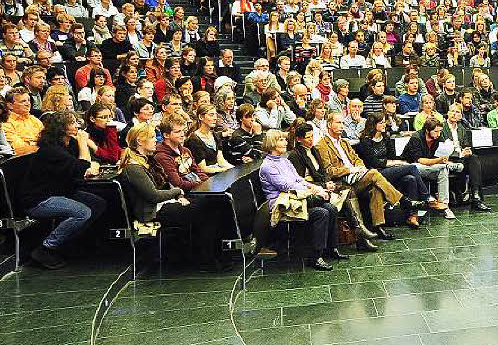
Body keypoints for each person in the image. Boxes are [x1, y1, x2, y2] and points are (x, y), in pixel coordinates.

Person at [119, 123, 230, 272]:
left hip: (165, 204)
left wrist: (176, 196)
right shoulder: (133, 168)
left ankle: (214, 255)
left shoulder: (147, 161)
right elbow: (154, 195)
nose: (156, 141)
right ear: (139, 141)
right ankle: (206, 260)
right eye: (152, 137)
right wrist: (177, 192)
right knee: (207, 210)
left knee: (213, 205)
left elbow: (163, 187)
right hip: (152, 213)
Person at [17, 110, 106, 269]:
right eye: (72, 123)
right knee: (82, 212)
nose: (77, 126)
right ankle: (46, 248)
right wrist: (83, 143)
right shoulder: (52, 151)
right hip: (39, 200)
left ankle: (70, 242)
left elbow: (82, 167)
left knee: (97, 203)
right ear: (62, 128)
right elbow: (84, 166)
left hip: (60, 191)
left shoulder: (65, 145)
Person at [315, 110, 406, 239]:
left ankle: (378, 226)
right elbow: (329, 170)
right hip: (342, 183)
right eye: (338, 123)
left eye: (342, 123)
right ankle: (402, 200)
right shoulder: (322, 145)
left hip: (357, 177)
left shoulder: (344, 142)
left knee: (376, 188)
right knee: (374, 173)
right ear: (329, 124)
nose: (342, 126)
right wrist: (350, 170)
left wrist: (360, 168)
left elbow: (357, 159)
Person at [257, 130, 339, 271]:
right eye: (281, 140)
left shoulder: (285, 160)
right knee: (321, 212)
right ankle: (315, 257)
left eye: (285, 139)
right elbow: (286, 186)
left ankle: (331, 248)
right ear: (272, 143)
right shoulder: (267, 166)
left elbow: (298, 179)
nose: (285, 142)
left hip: (297, 198)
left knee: (330, 208)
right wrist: (316, 191)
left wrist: (315, 188)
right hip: (282, 204)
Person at [290, 121, 378, 250]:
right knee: (348, 191)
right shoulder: (295, 155)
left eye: (312, 136)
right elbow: (300, 180)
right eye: (307, 137)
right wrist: (324, 184)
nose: (311, 140)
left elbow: (323, 170)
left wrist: (327, 182)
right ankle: (359, 232)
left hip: (323, 184)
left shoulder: (313, 150)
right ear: (299, 139)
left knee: (350, 190)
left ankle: (360, 235)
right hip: (311, 188)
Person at [356, 114, 430, 228]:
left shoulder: (386, 137)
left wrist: (397, 162)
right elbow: (373, 163)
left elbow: (393, 156)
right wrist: (395, 163)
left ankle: (411, 216)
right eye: (381, 123)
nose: (384, 124)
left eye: (384, 122)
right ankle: (427, 197)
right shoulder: (365, 141)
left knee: (410, 179)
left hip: (389, 169)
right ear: (373, 125)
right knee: (412, 167)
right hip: (376, 173)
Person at [401, 119, 456, 220]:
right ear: (427, 130)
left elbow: (440, 154)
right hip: (411, 166)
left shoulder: (438, 137)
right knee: (440, 167)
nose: (438, 134)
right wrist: (439, 161)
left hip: (430, 166)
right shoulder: (416, 138)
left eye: (440, 131)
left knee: (443, 170)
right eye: (436, 131)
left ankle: (444, 205)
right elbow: (419, 160)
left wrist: (444, 158)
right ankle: (449, 167)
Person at [441, 103, 490, 211]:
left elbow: (466, 145)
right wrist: (459, 154)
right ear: (448, 113)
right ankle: (476, 197)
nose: (454, 114)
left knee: (474, 158)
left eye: (457, 112)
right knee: (472, 160)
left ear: (460, 116)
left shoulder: (462, 129)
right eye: (452, 111)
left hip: (462, 158)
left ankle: (476, 197)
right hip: (448, 159)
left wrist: (467, 151)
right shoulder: (441, 128)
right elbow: (441, 148)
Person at [2, 86, 43, 155]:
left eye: (28, 100)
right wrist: (38, 145)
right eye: (23, 101)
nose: (28, 104)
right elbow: (19, 148)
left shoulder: (34, 120)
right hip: (22, 160)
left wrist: (31, 145)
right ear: (10, 105)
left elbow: (48, 141)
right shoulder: (6, 123)